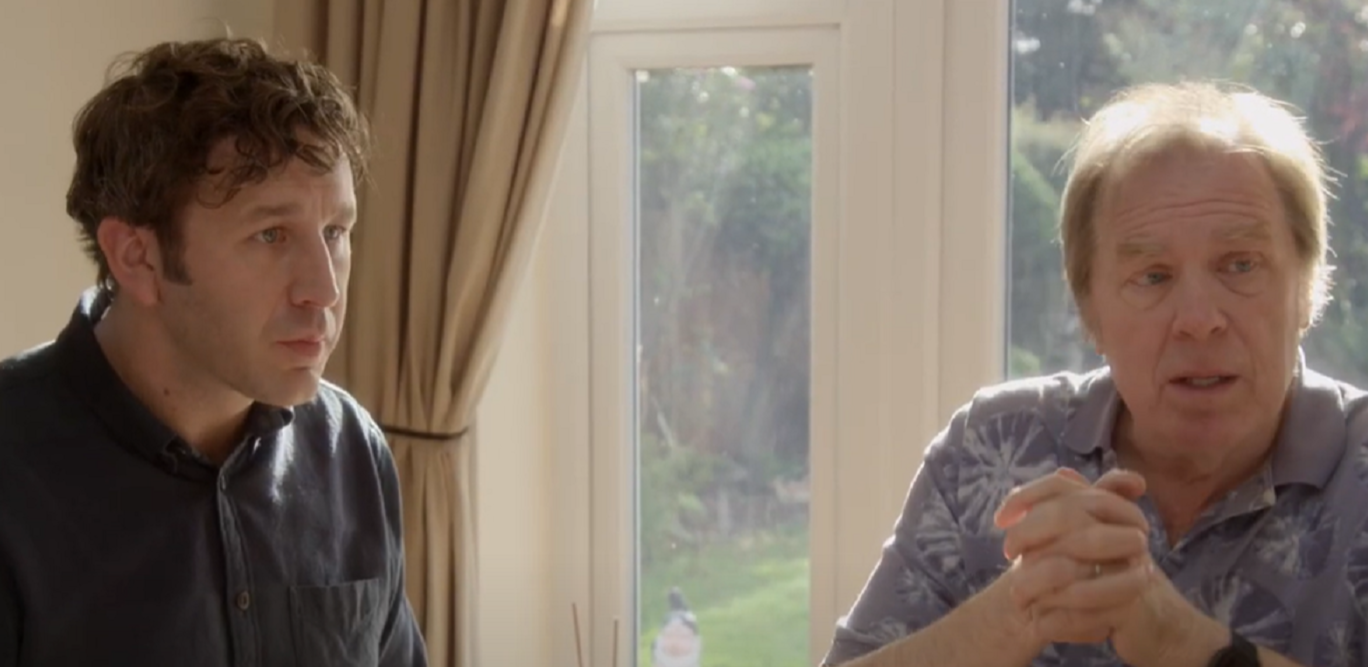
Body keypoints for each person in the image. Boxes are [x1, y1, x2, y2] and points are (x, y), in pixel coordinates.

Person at [823, 81, 1368, 667]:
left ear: (1308, 288)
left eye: (1240, 265)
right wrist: (1016, 610)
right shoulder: (992, 447)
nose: (1199, 320)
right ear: (1090, 312)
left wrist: (1180, 643)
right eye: (1153, 276)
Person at [0, 38, 427, 666]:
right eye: (271, 234)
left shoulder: (352, 450)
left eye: (335, 232)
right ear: (138, 258)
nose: (324, 289)